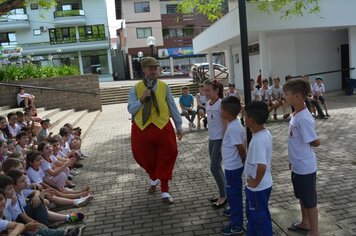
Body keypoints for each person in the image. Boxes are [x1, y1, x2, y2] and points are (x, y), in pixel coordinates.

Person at [127, 57, 183, 205]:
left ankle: (165, 190)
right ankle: (154, 177)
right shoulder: (135, 88)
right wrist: (142, 99)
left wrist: (178, 125)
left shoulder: (164, 86)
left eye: (155, 68)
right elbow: (131, 109)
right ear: (144, 70)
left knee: (169, 153)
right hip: (142, 127)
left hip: (163, 125)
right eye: (150, 68)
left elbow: (172, 106)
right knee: (141, 155)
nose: (153, 71)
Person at [283, 79, 320, 236]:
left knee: (310, 202)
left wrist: (316, 139)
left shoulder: (303, 118)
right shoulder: (296, 114)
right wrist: (292, 161)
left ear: (297, 96)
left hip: (305, 167)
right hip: (298, 165)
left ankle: (315, 232)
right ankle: (305, 223)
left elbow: (315, 142)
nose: (284, 96)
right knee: (302, 197)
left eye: (287, 94)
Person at [244, 101, 273, 235]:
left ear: (251, 120)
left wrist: (255, 182)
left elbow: (262, 166)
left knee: (259, 218)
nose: (243, 118)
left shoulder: (257, 141)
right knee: (255, 216)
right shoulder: (264, 134)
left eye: (245, 116)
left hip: (257, 188)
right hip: (260, 186)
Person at [219, 96, 246, 235]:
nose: (220, 111)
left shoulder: (234, 127)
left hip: (233, 168)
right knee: (233, 192)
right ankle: (234, 210)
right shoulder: (233, 123)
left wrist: (244, 159)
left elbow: (241, 148)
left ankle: (236, 225)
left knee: (234, 194)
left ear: (228, 113)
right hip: (231, 166)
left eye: (222, 109)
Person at [204, 79, 227, 208]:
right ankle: (223, 193)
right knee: (217, 167)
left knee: (214, 168)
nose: (205, 92)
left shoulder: (221, 104)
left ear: (216, 91)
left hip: (219, 139)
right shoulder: (208, 103)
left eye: (208, 90)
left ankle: (224, 196)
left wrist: (224, 142)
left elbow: (225, 124)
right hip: (211, 139)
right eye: (204, 90)